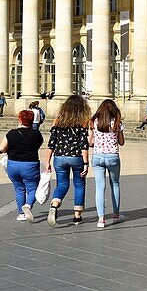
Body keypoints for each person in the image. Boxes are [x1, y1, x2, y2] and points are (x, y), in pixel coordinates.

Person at [45, 95, 91, 227]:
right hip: (76, 157)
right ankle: (77, 216)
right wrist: (86, 163)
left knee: (62, 185)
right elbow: (83, 144)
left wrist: (47, 162)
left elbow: (51, 143)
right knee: (79, 184)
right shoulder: (83, 122)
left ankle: (54, 206)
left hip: (59, 157)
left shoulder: (57, 121)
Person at [0, 109, 44, 222]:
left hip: (13, 164)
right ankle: (28, 205)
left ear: (20, 119)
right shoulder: (36, 134)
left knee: (19, 189)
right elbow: (39, 145)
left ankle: (21, 214)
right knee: (33, 188)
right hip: (30, 164)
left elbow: (1, 149)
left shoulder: (11, 133)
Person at [89, 99, 124, 229]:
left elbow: (90, 142)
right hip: (112, 156)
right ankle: (115, 215)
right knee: (115, 184)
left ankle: (101, 219)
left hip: (97, 156)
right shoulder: (117, 123)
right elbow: (121, 142)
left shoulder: (94, 122)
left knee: (99, 187)